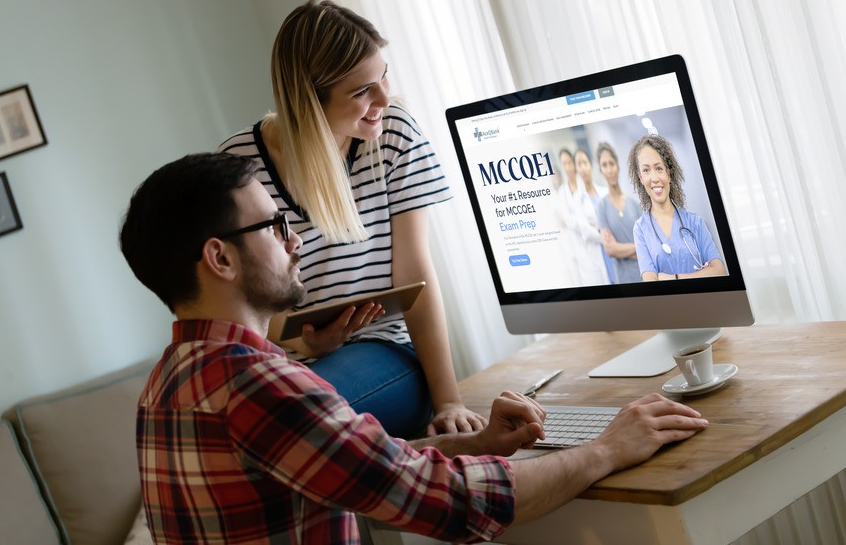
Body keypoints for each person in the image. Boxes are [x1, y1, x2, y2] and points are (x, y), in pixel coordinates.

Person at [119, 152, 708, 544]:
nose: (294, 240)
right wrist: (607, 449)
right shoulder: (260, 386)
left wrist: (477, 441)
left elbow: (364, 464)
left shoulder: (168, 380)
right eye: (273, 226)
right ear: (219, 258)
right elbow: (448, 501)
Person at [217, 0, 482, 438]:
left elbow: (415, 271)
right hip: (287, 363)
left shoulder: (395, 133)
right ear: (309, 102)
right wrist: (300, 345)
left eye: (383, 76)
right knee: (246, 419)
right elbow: (244, 302)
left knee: (282, 422)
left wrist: (448, 400)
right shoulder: (240, 165)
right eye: (362, 91)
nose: (383, 98)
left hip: (387, 349)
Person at [627, 134, 727, 281]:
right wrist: (700, 275)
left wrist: (674, 277)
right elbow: (651, 281)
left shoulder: (695, 222)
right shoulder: (641, 229)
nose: (654, 178)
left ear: (669, 173)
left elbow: (719, 270)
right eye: (646, 170)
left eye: (659, 168)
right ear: (640, 178)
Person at [556, 148, 609, 286]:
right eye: (564, 164)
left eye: (569, 162)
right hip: (579, 245)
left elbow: (596, 219)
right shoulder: (562, 193)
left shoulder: (584, 187)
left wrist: (591, 226)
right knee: (585, 278)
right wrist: (587, 225)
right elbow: (571, 222)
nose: (567, 167)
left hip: (597, 244)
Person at [594, 141, 642, 283]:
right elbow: (610, 249)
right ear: (600, 170)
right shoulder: (602, 207)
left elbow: (647, 246)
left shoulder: (634, 204)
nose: (609, 170)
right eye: (604, 165)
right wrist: (637, 248)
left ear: (618, 166)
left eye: (611, 163)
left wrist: (622, 250)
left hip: (645, 275)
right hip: (624, 281)